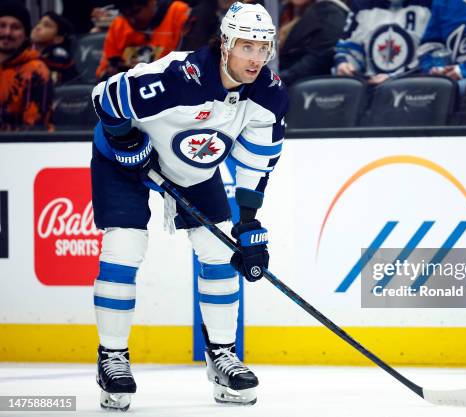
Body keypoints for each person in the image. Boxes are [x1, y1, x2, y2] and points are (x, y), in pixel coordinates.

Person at [90, 1, 288, 411]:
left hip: (192, 169)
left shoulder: (269, 94)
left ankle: (221, 356)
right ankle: (112, 357)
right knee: (124, 247)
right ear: (226, 44)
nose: (255, 58)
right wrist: (126, 141)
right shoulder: (178, 76)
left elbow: (257, 159)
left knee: (219, 253)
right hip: (122, 162)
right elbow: (105, 97)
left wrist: (248, 221)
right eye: (246, 47)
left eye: (262, 48)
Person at [333, 0, 432, 85]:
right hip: (371, 89)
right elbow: (350, 46)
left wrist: (397, 77)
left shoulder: (430, 4)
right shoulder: (362, 5)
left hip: (415, 89)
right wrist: (345, 64)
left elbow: (433, 52)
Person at [96, 0, 191, 80]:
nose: (132, 20)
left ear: (151, 2)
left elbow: (192, 65)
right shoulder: (119, 25)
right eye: (126, 15)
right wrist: (112, 72)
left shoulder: (177, 13)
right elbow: (102, 73)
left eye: (136, 11)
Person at [0, 1, 53, 130]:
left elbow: (34, 128)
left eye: (15, 27)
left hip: (20, 145)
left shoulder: (37, 70)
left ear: (25, 36)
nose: (7, 32)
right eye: (2, 25)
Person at [278, 0, 349, 86]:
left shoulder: (330, 12)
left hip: (307, 89)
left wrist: (278, 79)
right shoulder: (289, 11)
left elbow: (319, 58)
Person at [31, 11, 77, 85]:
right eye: (38, 23)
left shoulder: (60, 59)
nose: (38, 27)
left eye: (46, 25)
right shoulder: (22, 51)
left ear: (58, 38)